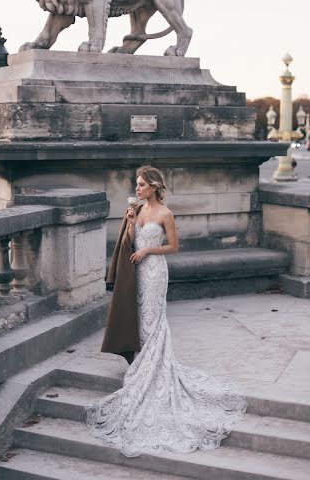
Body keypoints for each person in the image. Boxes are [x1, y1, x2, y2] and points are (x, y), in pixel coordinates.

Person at [86, 165, 247, 457]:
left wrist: (148, 250)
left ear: (154, 187)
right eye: (136, 184)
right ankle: (143, 362)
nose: (136, 189)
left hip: (154, 273)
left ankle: (154, 369)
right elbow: (130, 244)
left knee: (152, 319)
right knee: (138, 317)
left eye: (141, 185)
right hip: (135, 273)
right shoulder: (137, 210)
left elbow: (173, 247)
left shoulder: (164, 214)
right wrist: (131, 224)